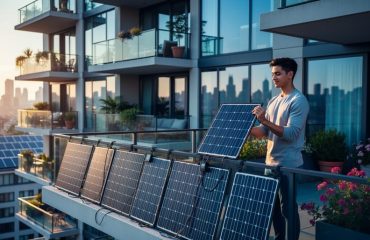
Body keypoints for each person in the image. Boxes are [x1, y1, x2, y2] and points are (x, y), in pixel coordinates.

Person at [251, 57, 309, 240]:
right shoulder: (274, 100)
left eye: (278, 74)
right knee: (273, 208)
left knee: (288, 209)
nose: (274, 77)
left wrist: (265, 120)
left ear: (290, 74)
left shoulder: (298, 101)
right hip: (270, 164)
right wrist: (243, 129)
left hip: (288, 165)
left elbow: (291, 133)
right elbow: (264, 131)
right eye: (272, 74)